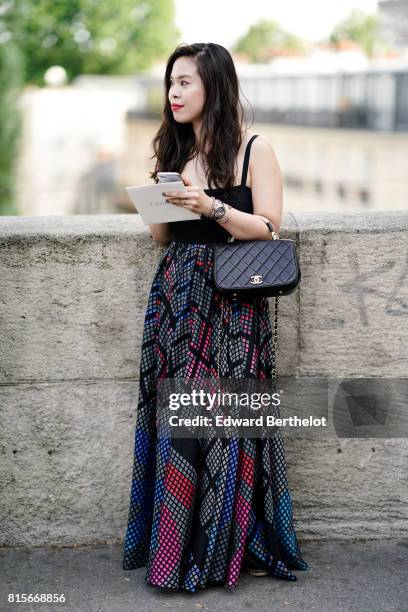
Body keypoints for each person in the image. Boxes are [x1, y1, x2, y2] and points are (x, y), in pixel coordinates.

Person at [122, 42, 309, 593]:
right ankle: (175, 548)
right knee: (179, 426)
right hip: (177, 305)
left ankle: (224, 547)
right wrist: (161, 200)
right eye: (171, 83)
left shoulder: (255, 149)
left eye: (185, 83)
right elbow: (162, 238)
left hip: (232, 306)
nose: (174, 93)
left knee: (225, 428)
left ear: (214, 87)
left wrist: (212, 207)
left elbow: (270, 228)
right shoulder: (175, 150)